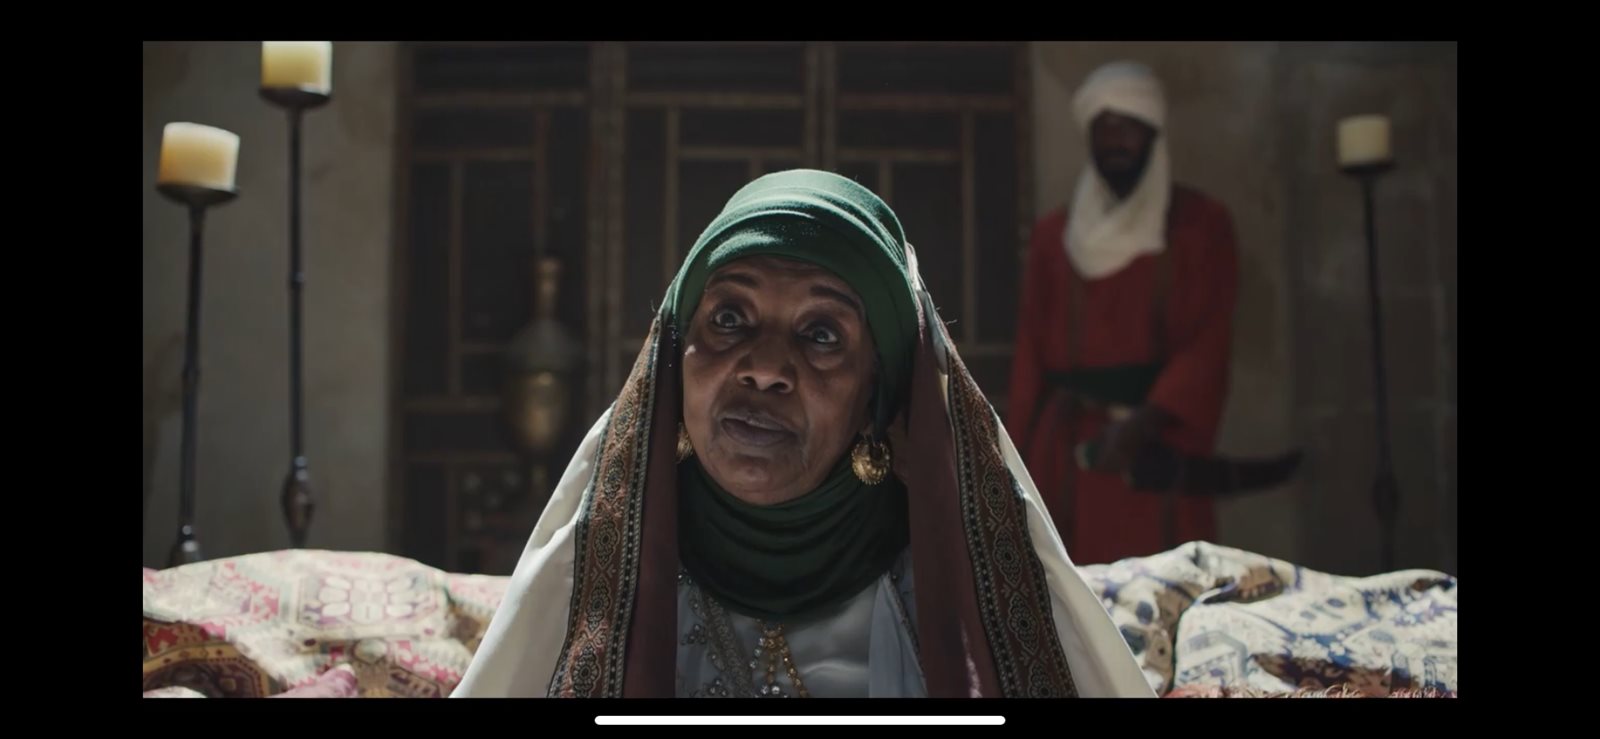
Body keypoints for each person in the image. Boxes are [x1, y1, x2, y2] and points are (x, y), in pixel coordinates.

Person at [453, 169, 1152, 698]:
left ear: (879, 397)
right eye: (729, 319)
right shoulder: (603, 585)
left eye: (821, 335)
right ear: (673, 363)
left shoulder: (949, 603)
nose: (763, 368)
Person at [1007, 62, 1239, 565]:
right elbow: (1031, 353)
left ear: (1153, 133)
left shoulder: (1200, 227)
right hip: (1065, 456)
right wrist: (1011, 459)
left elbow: (1207, 344)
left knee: (1162, 581)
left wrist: (1141, 426)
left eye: (1128, 126)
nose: (1115, 140)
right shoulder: (1054, 237)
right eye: (1104, 127)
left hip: (1153, 451)